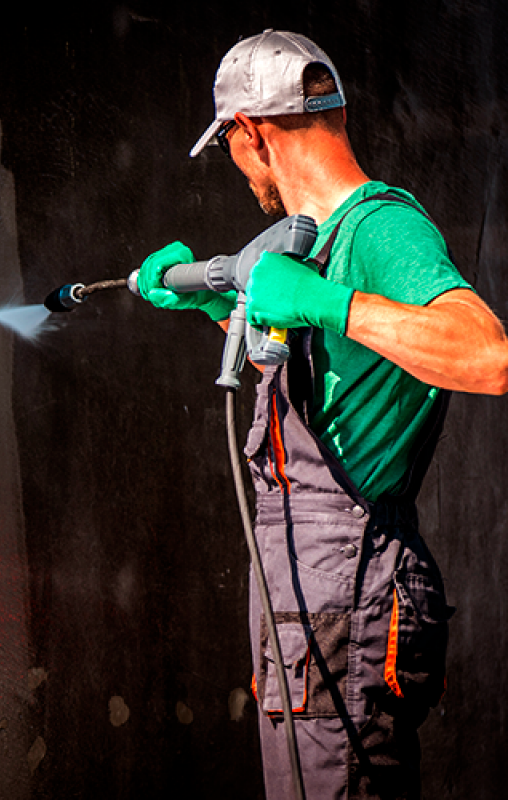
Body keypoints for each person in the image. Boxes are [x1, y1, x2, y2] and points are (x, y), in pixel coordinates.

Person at [136, 29, 508, 800]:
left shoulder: (381, 229)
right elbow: (344, 369)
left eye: (234, 151)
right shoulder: (323, 243)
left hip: (352, 592)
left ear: (248, 133)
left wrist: (322, 300)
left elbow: (488, 353)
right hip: (306, 600)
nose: (243, 173)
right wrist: (216, 304)